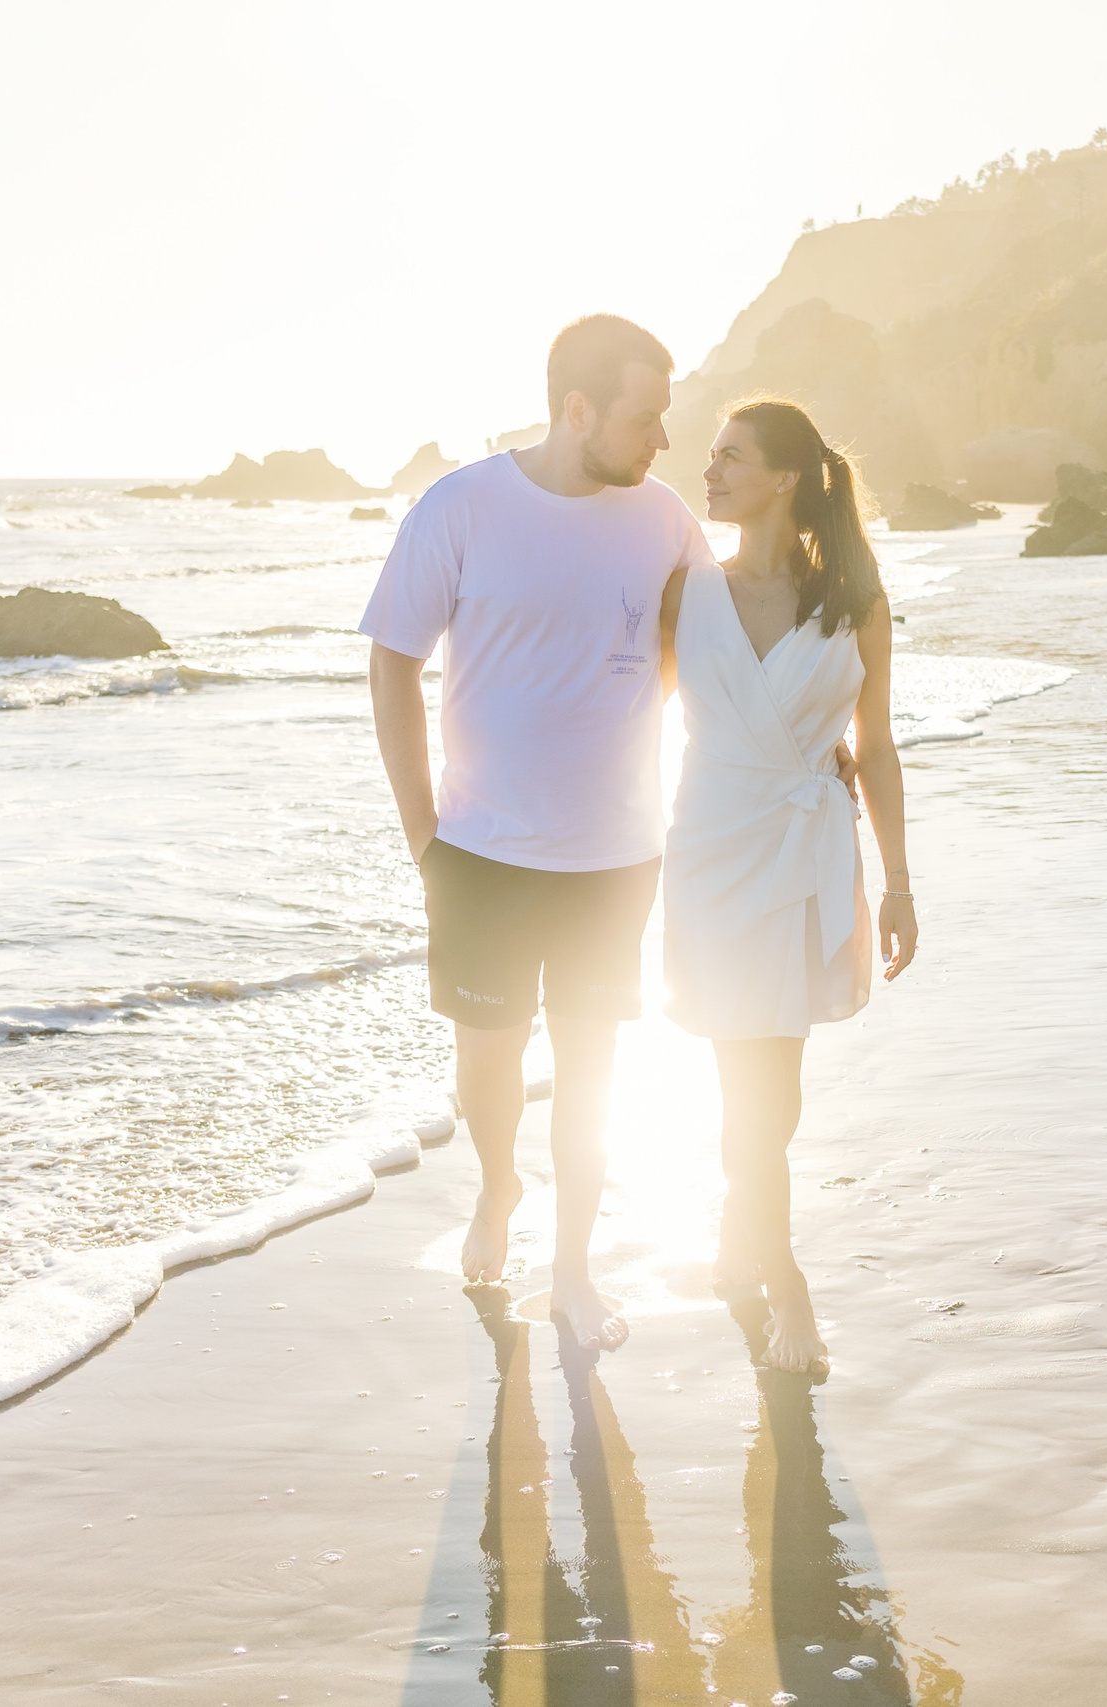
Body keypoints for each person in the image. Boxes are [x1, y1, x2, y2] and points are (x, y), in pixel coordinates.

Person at [362, 314, 714, 1352]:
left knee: (591, 1069)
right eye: (645, 418)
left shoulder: (663, 518)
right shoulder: (461, 507)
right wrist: (421, 829)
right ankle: (496, 1184)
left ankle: (571, 1272)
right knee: (489, 1063)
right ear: (578, 411)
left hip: (615, 855)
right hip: (480, 853)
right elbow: (392, 659)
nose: (663, 440)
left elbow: (707, 633)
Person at [659, 397, 917, 1380]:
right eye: (710, 455)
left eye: (730, 457)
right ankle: (787, 1284)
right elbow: (620, 706)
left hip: (807, 852)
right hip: (712, 854)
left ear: (783, 478)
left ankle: (744, 1227)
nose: (710, 471)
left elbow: (875, 747)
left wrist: (899, 885)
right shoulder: (685, 592)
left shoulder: (855, 603)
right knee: (748, 1088)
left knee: (778, 1089)